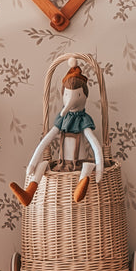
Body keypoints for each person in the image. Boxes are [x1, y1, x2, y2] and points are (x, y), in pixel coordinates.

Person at [10, 57, 104, 206]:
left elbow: (94, 143)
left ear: (84, 96)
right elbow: (46, 140)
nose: (70, 100)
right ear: (63, 95)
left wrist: (100, 169)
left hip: (79, 164)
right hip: (61, 164)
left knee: (88, 166)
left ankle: (80, 187)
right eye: (67, 95)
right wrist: (32, 164)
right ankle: (29, 192)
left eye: (77, 95)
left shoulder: (83, 120)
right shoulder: (62, 119)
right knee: (43, 165)